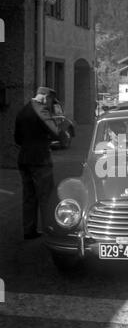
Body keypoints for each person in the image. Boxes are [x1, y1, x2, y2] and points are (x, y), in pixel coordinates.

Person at [14, 87, 65, 240]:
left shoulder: (23, 110)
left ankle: (29, 230)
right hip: (40, 160)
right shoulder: (41, 110)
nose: (50, 105)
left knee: (29, 196)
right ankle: (50, 230)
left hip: (24, 159)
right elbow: (56, 132)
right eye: (51, 101)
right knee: (46, 196)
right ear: (46, 98)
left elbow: (17, 139)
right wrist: (59, 120)